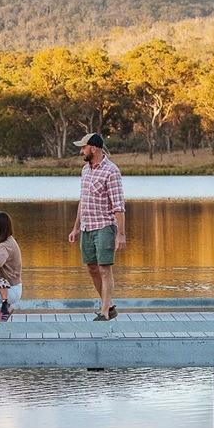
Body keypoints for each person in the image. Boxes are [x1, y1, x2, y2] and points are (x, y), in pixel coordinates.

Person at [67, 132, 126, 321]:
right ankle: (108, 306)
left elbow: (118, 206)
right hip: (86, 227)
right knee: (92, 268)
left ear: (93, 148)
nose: (81, 151)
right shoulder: (85, 170)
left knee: (104, 268)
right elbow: (82, 201)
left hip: (104, 226)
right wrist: (75, 228)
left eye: (83, 147)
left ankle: (104, 312)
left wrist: (121, 234)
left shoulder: (111, 171)